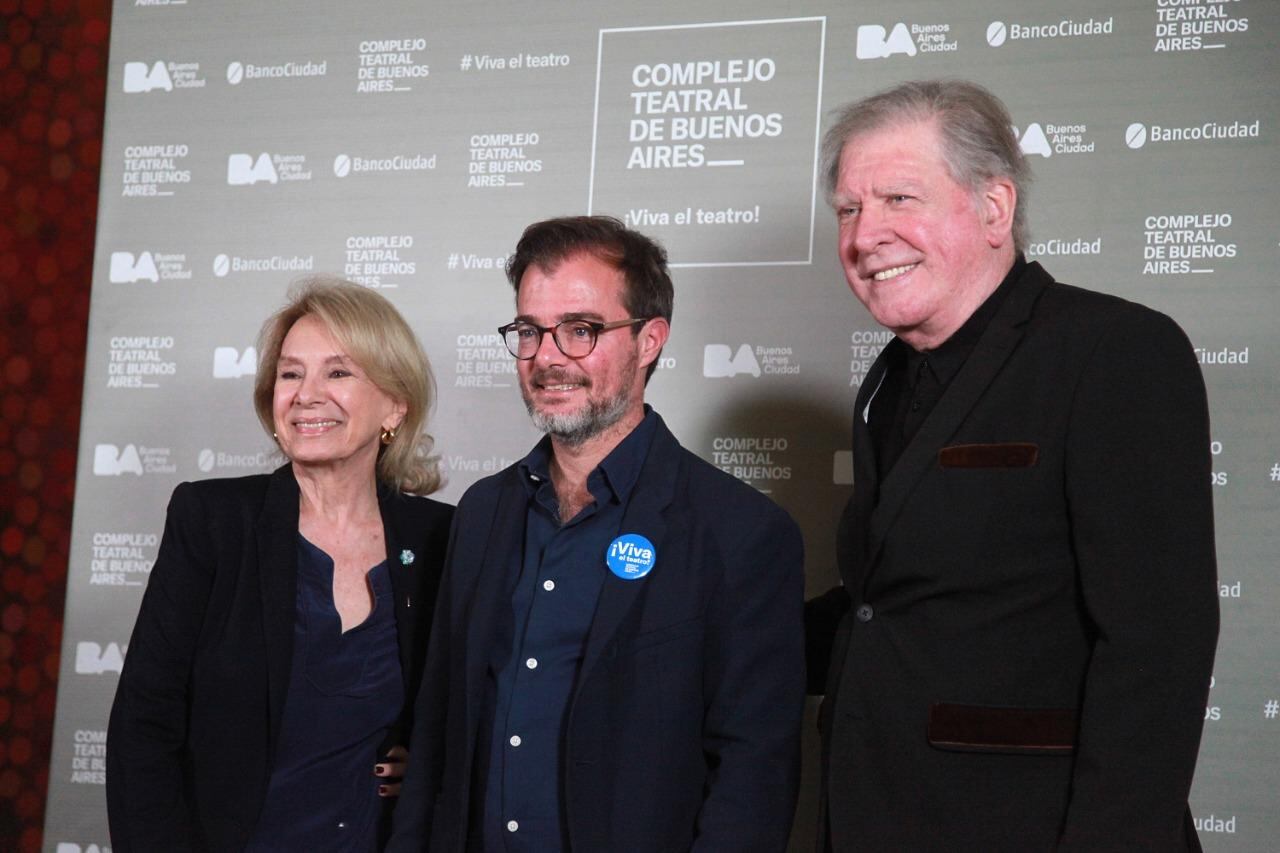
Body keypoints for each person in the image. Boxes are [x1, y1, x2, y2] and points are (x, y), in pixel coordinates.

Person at [806, 80, 1219, 851]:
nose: (865, 236)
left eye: (899, 198)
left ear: (995, 208)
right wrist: (710, 633)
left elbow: (1155, 650)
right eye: (849, 210)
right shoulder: (892, 380)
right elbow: (897, 602)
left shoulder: (1113, 352)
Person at [387, 216, 804, 853]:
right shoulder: (481, 513)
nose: (548, 357)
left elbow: (753, 772)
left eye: (580, 330)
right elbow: (440, 730)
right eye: (530, 331)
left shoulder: (739, 531)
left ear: (649, 340)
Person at [107, 277, 454, 852]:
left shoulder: (440, 536)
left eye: (338, 373)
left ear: (395, 404)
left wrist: (430, 756)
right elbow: (145, 725)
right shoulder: (213, 521)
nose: (306, 394)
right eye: (291, 374)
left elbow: (471, 697)